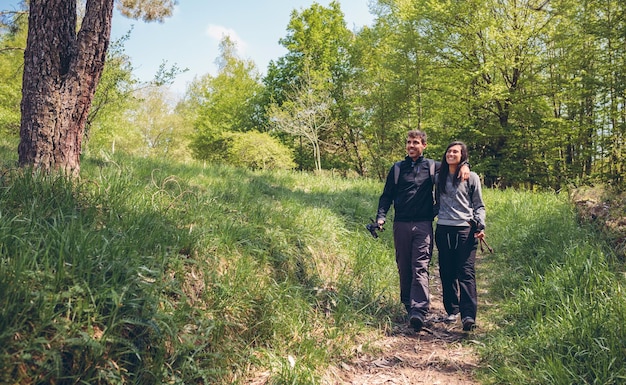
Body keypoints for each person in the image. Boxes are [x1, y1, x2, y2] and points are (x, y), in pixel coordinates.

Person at [375, 130, 469, 332]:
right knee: (404, 265)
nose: (411, 146)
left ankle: (419, 310)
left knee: (420, 265)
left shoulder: (432, 166)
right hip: (400, 223)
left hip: (424, 224)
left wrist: (466, 166)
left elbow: (455, 164)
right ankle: (408, 305)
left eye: (416, 142)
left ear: (424, 146)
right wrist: (381, 217)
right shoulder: (398, 169)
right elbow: (386, 195)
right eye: (409, 142)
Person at [433, 141, 485, 332]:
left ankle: (468, 315)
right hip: (443, 228)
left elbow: (479, 205)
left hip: (466, 229)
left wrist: (480, 225)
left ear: (463, 155)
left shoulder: (471, 177)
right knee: (447, 271)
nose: (451, 154)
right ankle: (452, 310)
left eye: (456, 152)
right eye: (449, 151)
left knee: (466, 272)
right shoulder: (438, 177)